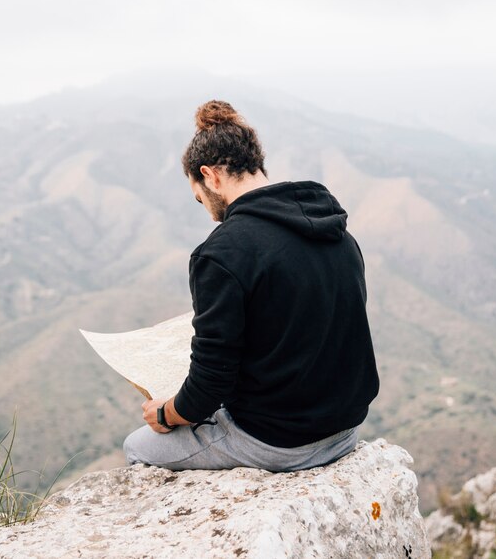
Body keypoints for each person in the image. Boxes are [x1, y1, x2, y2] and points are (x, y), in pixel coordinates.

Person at [123, 100, 379, 471]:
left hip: (280, 439)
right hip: (345, 426)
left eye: (199, 197)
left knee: (137, 445)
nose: (209, 211)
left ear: (210, 176)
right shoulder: (334, 227)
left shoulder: (222, 254)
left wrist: (164, 414)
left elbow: (208, 389)